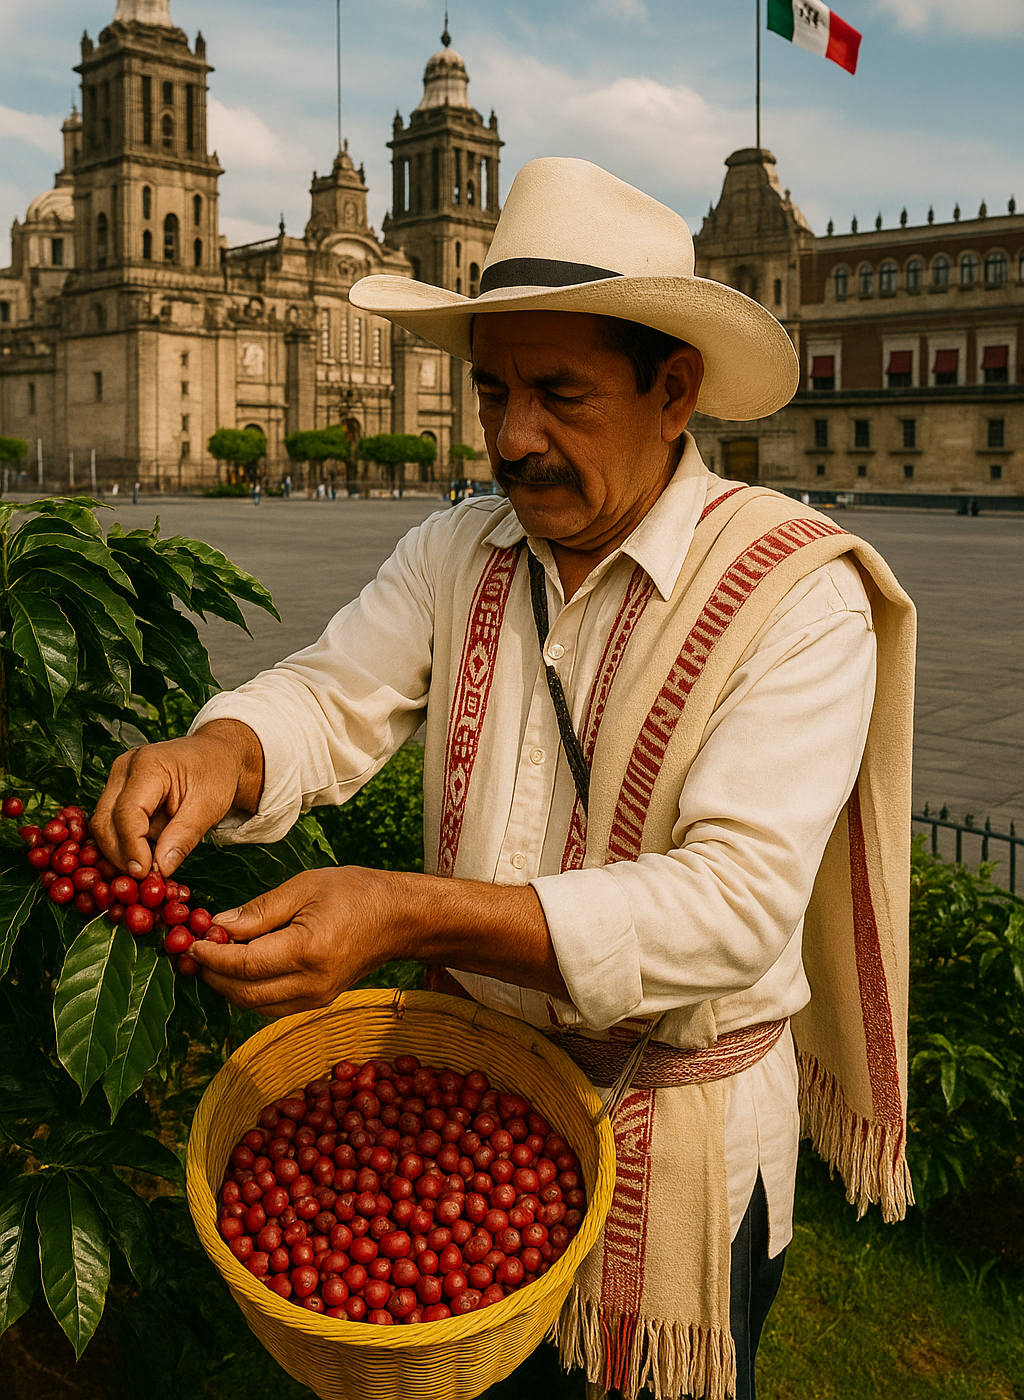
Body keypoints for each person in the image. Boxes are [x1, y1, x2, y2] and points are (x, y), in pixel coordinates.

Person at [92, 158, 915, 1400]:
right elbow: (330, 692)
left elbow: (736, 905)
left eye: (560, 395)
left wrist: (414, 912)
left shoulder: (797, 600)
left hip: (678, 1145)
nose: (513, 437)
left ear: (674, 390)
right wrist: (223, 750)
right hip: (469, 1107)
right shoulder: (461, 549)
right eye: (492, 392)